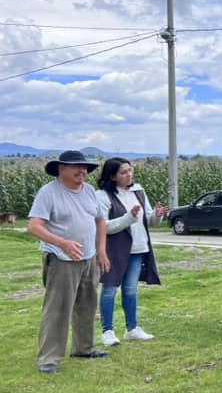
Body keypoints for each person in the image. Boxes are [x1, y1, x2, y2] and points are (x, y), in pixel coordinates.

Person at [27, 150, 111, 373]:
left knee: (87, 305)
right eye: (76, 167)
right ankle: (49, 359)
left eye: (85, 167)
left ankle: (84, 348)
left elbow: (100, 222)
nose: (82, 171)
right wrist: (62, 243)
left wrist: (101, 251)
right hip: (62, 259)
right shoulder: (49, 193)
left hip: (89, 257)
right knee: (58, 309)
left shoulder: (90, 191)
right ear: (61, 168)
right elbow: (34, 226)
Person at [96, 157, 166, 347]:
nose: (129, 175)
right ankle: (107, 331)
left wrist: (157, 217)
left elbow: (148, 220)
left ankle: (132, 328)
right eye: (123, 172)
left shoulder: (138, 191)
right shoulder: (103, 196)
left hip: (138, 248)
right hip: (115, 249)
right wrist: (128, 218)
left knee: (130, 290)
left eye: (130, 170)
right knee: (110, 289)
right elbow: (104, 226)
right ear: (112, 176)